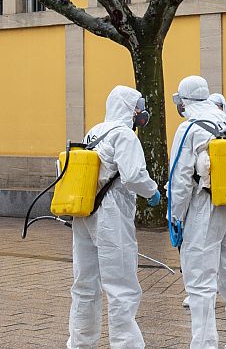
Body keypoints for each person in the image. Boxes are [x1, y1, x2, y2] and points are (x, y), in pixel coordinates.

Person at [68, 85, 160, 349]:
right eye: (137, 107)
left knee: (84, 284)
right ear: (127, 108)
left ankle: (80, 343)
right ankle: (126, 345)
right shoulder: (125, 136)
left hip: (85, 210)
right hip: (111, 213)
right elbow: (133, 176)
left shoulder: (94, 131)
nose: (140, 113)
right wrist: (152, 191)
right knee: (121, 284)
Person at [168, 76, 226, 348]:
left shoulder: (189, 128)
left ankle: (204, 344)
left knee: (200, 284)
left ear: (184, 100)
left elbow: (180, 179)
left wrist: (175, 218)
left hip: (205, 208)